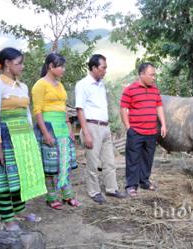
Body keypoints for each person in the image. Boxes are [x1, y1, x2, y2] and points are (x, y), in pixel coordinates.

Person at [0, 47, 46, 231]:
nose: (22, 66)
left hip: (24, 138)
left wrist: (32, 137)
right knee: (5, 178)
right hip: (6, 137)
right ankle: (8, 218)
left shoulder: (23, 86)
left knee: (21, 176)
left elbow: (27, 113)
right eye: (19, 63)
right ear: (7, 64)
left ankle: (19, 211)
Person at [32, 53, 81, 210]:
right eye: (60, 66)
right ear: (50, 67)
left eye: (63, 66)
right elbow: (37, 111)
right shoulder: (40, 85)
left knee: (65, 162)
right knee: (51, 165)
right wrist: (45, 133)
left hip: (62, 128)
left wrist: (69, 129)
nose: (63, 69)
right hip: (49, 127)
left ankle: (68, 195)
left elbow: (63, 107)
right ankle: (51, 197)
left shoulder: (60, 85)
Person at [75, 54, 126, 205]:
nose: (105, 71)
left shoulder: (101, 84)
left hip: (105, 126)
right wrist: (86, 133)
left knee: (109, 161)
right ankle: (94, 191)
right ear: (94, 68)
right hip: (91, 126)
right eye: (103, 68)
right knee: (92, 162)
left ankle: (111, 188)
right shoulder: (83, 84)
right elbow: (80, 109)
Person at [120, 62, 167, 197]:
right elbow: (123, 109)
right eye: (151, 75)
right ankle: (131, 185)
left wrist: (163, 124)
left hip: (151, 132)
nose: (154, 78)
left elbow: (159, 107)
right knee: (133, 159)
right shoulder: (130, 90)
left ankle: (144, 181)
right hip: (135, 131)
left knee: (148, 158)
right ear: (141, 74)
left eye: (154, 75)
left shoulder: (155, 90)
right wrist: (128, 128)